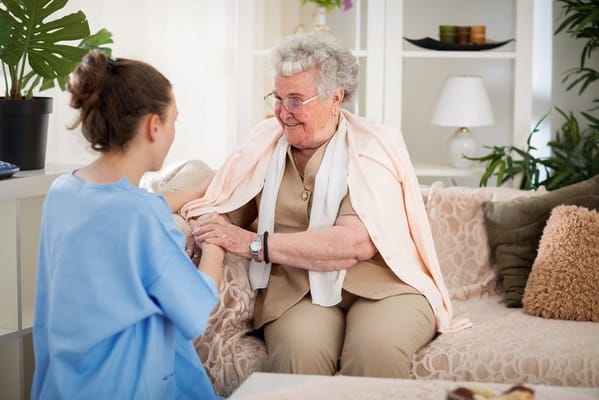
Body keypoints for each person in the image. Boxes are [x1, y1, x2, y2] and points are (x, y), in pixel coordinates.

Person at [179, 31, 468, 378]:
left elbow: (352, 244)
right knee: (297, 359)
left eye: (296, 100)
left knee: (372, 353)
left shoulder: (372, 149)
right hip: (297, 291)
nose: (283, 113)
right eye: (278, 97)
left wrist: (253, 243)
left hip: (385, 286)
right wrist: (200, 224)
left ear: (335, 98)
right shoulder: (265, 144)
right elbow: (218, 193)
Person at [31, 50, 223, 399]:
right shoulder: (140, 217)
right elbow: (196, 312)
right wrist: (216, 244)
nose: (173, 131)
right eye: (173, 121)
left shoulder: (64, 191)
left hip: (61, 385)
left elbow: (115, 219)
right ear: (154, 126)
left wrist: (196, 191)